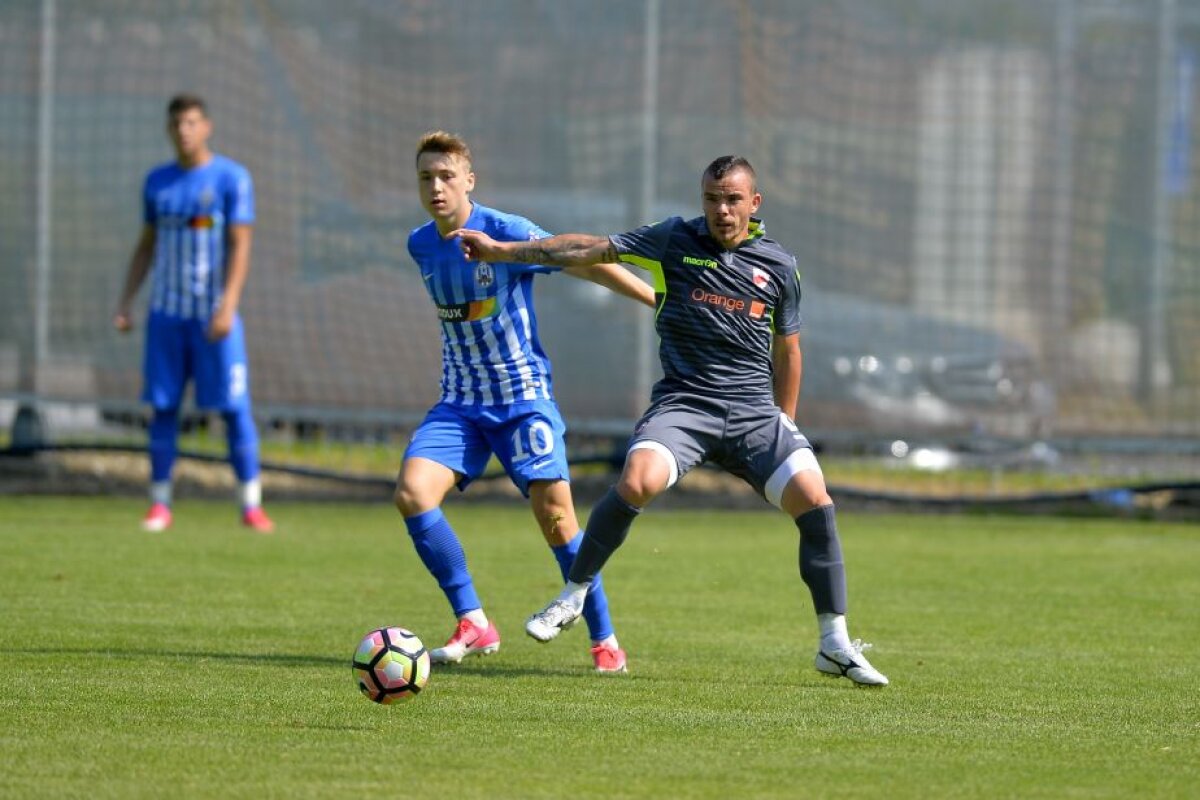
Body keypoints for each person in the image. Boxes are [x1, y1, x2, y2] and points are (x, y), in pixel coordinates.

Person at [452, 155, 889, 686]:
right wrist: (503, 251)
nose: (721, 210)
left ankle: (834, 643)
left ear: (755, 204)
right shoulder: (672, 240)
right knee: (636, 482)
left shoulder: (779, 265)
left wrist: (785, 425)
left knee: (816, 502)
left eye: (732, 200)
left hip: (754, 413)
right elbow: (586, 249)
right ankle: (573, 594)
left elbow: (789, 350)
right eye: (711, 199)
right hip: (686, 405)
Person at [397, 131, 656, 673]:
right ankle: (473, 620)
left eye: (447, 176)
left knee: (557, 518)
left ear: (470, 180)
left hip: (521, 401)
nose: (437, 187)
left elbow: (580, 260)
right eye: (427, 178)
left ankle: (604, 639)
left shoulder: (505, 231)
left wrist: (653, 298)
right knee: (413, 493)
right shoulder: (420, 244)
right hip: (461, 405)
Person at [114, 93, 274, 534]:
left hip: (214, 319)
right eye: (176, 124)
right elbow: (146, 244)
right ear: (169, 130)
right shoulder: (157, 183)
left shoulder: (230, 178)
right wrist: (126, 301)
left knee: (233, 409)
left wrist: (228, 306)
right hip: (166, 316)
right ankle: (160, 504)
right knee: (163, 408)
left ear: (207, 127)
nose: (183, 131)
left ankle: (251, 505)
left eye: (191, 122)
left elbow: (241, 244)